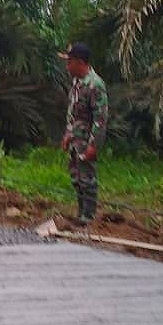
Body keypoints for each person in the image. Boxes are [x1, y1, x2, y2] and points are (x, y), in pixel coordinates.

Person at [59, 42, 108, 224]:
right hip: (75, 140)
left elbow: (100, 118)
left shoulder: (95, 85)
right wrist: (67, 134)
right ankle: (81, 214)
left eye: (70, 61)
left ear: (80, 62)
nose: (67, 66)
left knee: (88, 179)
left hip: (86, 140)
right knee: (76, 179)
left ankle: (88, 217)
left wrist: (93, 145)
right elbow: (73, 113)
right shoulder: (77, 83)